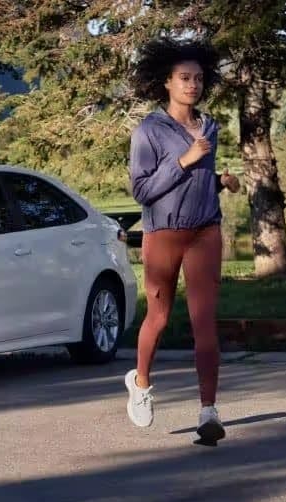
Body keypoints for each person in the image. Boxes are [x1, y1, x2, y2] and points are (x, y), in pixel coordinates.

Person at [124, 37, 241, 446]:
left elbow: (199, 182)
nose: (193, 85)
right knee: (158, 318)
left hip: (205, 231)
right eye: (184, 78)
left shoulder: (209, 127)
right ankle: (140, 383)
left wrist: (220, 181)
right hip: (163, 234)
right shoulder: (149, 131)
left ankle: (209, 411)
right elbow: (142, 191)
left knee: (204, 322)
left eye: (199, 78)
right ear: (167, 83)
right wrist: (183, 161)